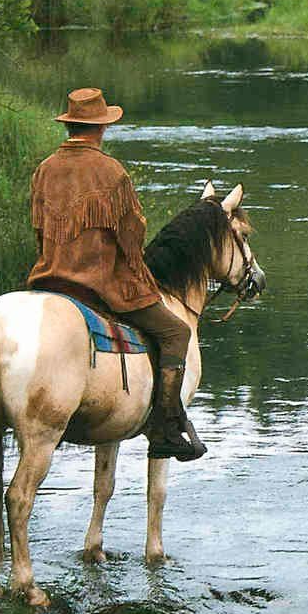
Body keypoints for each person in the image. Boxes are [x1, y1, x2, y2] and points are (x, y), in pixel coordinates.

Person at [27, 87, 205, 461]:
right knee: (176, 332)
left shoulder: (45, 169)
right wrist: (140, 276)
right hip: (100, 287)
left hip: (48, 280)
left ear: (71, 126)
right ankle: (166, 429)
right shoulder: (111, 172)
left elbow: (39, 229)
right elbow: (132, 236)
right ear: (101, 128)